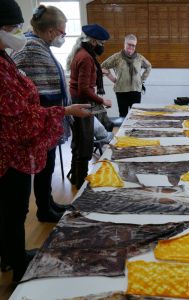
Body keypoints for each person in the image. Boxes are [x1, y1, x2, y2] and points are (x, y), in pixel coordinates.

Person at [0, 0, 91, 282]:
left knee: (14, 207)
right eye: (10, 27)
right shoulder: (23, 51)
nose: (16, 31)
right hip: (14, 143)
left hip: (28, 131)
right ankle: (15, 262)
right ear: (51, 30)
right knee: (13, 208)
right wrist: (61, 111)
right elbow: (21, 109)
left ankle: (13, 254)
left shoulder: (6, 56)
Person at [11, 4, 71, 223]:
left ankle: (48, 203)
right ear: (50, 31)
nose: (63, 36)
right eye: (62, 32)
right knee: (44, 167)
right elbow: (28, 89)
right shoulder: (30, 48)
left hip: (49, 119)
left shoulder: (41, 45)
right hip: (40, 120)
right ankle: (44, 210)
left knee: (49, 165)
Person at [66, 24, 112, 189]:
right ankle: (81, 184)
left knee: (78, 142)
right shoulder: (86, 58)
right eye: (101, 42)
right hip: (82, 104)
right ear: (93, 41)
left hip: (78, 102)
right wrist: (102, 101)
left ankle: (75, 178)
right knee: (84, 145)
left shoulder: (81, 53)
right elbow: (84, 89)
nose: (102, 46)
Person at [102, 34, 152, 117]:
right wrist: (113, 79)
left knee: (135, 116)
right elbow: (103, 67)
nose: (131, 47)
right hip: (121, 91)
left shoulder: (139, 58)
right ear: (124, 44)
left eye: (133, 45)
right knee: (123, 115)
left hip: (136, 91)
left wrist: (141, 80)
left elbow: (149, 66)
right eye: (129, 44)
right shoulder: (117, 57)